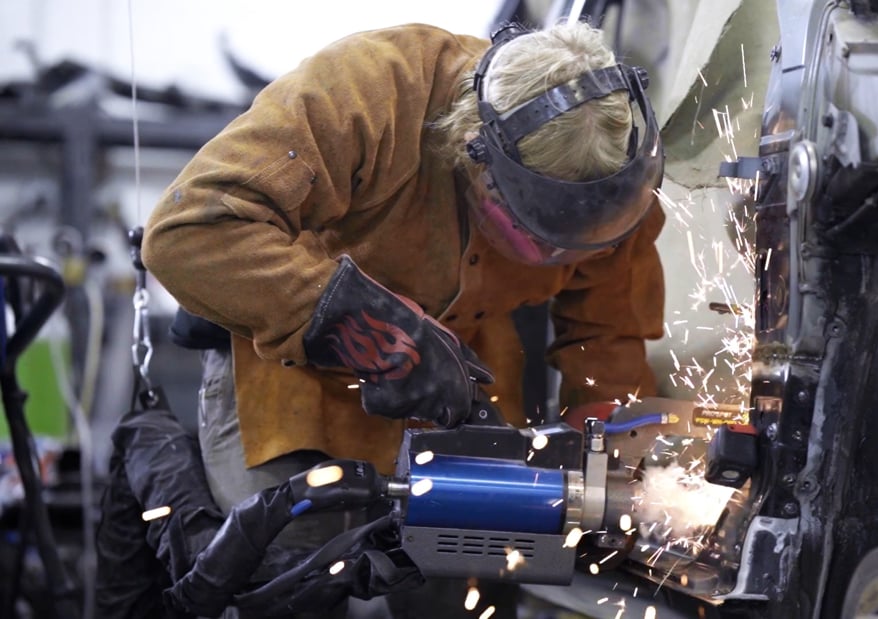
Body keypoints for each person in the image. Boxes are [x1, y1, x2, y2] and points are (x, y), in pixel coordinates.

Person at [141, 18, 666, 618]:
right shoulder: (373, 91)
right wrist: (374, 332)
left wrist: (613, 459)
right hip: (294, 374)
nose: (558, 256)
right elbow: (189, 232)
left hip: (466, 377)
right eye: (540, 231)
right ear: (473, 152)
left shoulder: (616, 173)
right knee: (285, 578)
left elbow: (609, 333)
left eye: (580, 244)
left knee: (474, 588)